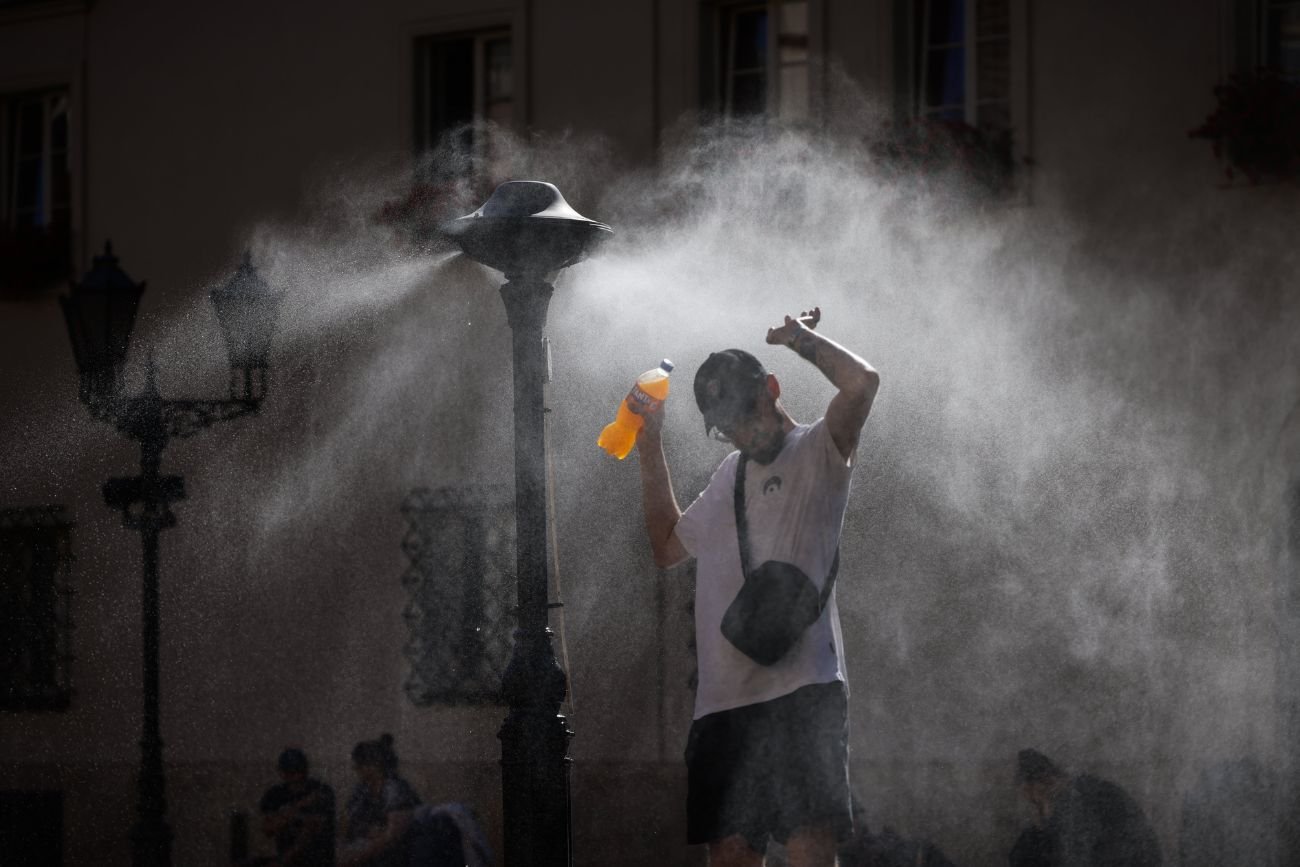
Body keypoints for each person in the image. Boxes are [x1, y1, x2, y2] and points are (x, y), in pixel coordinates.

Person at [632, 306, 880, 867]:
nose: (742, 434)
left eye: (747, 414)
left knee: (809, 851)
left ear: (770, 388)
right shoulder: (730, 475)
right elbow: (667, 546)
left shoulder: (821, 451)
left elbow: (863, 383)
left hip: (802, 692)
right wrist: (650, 443)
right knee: (731, 857)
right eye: (727, 428)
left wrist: (800, 340)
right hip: (722, 704)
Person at [1011, 748, 1162, 867]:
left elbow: (1079, 853)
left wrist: (1045, 813)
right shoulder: (1076, 796)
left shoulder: (1083, 800)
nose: (1035, 806)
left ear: (1045, 783)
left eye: (1034, 799)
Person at [339, 734, 421, 867]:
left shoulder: (396, 789)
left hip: (396, 857)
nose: (355, 769)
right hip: (364, 849)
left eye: (359, 765)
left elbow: (393, 836)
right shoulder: (362, 790)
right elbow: (346, 821)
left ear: (374, 765)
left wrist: (355, 858)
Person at [256, 747, 336, 866]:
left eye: (296, 771)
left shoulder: (321, 791)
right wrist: (300, 805)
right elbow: (268, 828)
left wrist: (283, 861)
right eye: (289, 772)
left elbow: (313, 830)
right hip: (286, 858)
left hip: (317, 860)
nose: (294, 776)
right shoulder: (275, 794)